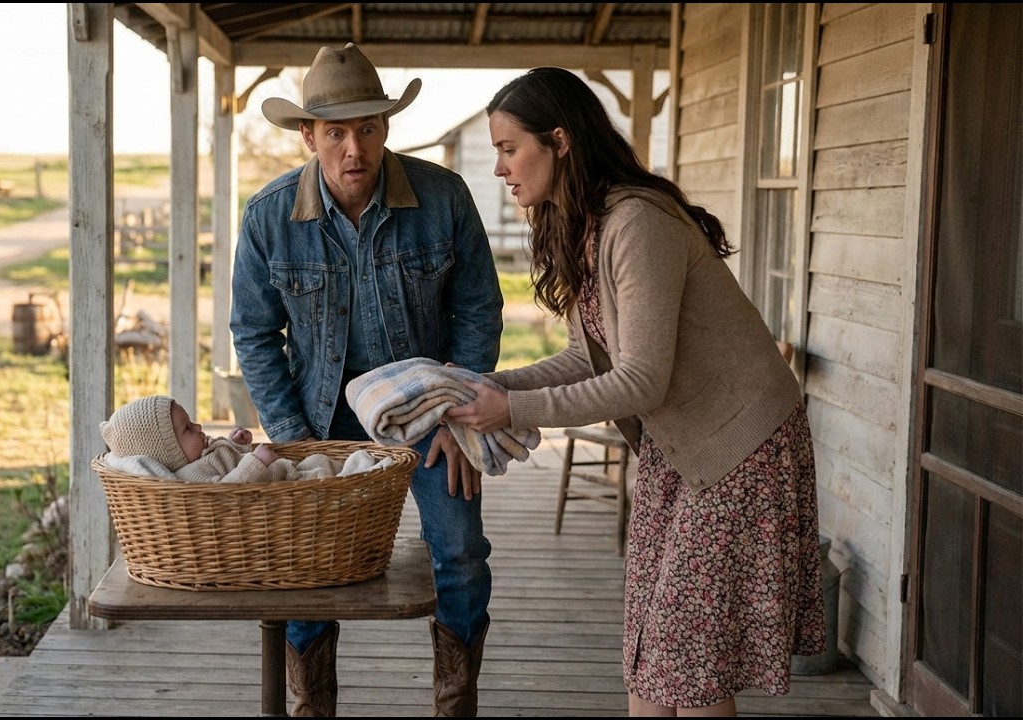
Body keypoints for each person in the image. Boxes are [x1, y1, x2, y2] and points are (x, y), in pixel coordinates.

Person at [444, 67, 826, 717]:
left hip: (741, 447)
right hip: (675, 451)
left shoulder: (636, 223)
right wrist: (491, 383)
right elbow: (582, 357)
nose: (501, 168)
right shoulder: (584, 227)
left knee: (690, 660)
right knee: (651, 651)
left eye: (510, 149)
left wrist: (514, 408)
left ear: (560, 141)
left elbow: (639, 377)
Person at [229, 43, 505, 716]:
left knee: (461, 548)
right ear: (308, 135)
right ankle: (312, 704)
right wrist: (293, 439)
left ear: (386, 127)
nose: (354, 148)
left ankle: (454, 699)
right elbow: (255, 334)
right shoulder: (269, 217)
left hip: (425, 411)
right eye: (336, 133)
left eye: (368, 129)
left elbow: (478, 309)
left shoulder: (444, 198)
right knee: (306, 565)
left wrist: (456, 410)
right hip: (320, 416)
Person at [100, 395, 389, 484]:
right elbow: (228, 491)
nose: (199, 426)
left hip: (282, 471)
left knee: (318, 460)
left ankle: (356, 468)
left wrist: (235, 442)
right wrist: (254, 461)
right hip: (278, 483)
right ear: (167, 451)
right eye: (188, 429)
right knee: (318, 468)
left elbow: (227, 458)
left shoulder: (200, 454)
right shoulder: (191, 474)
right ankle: (360, 472)